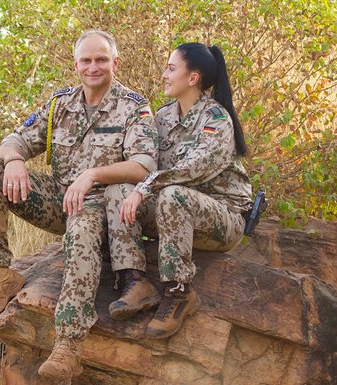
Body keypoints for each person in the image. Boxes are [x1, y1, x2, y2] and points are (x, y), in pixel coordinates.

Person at [0, 30, 158, 379]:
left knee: (83, 226)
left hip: (102, 208)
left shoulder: (133, 105)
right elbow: (14, 139)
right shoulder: (60, 104)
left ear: (115, 63)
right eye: (86, 60)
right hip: (60, 200)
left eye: (101, 59)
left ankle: (68, 346)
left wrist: (93, 176)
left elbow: (144, 164)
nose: (93, 67)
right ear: (76, 65)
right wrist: (13, 160)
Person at [105, 43, 252, 339]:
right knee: (118, 189)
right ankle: (136, 281)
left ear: (193, 78)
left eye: (171, 69)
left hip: (222, 218)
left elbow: (191, 171)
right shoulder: (162, 118)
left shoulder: (215, 119)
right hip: (175, 214)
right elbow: (141, 157)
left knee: (173, 194)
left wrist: (144, 189)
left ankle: (179, 292)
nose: (164, 75)